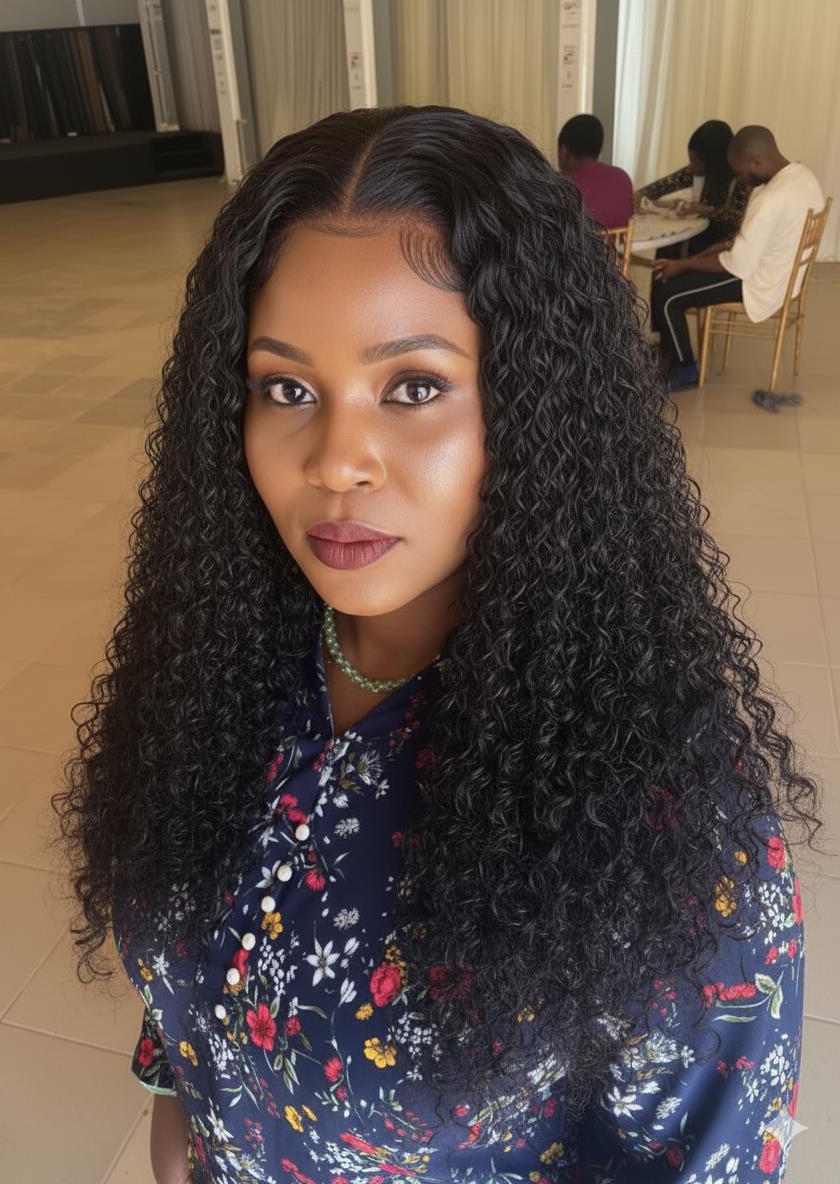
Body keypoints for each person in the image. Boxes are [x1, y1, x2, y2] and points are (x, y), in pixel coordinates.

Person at [54, 106, 816, 1184]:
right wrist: (178, 1103)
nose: (338, 461)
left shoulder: (672, 818)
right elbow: (187, 948)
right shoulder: (217, 663)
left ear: (537, 406)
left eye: (413, 386)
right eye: (286, 387)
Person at [652, 125, 824, 390]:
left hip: (758, 281)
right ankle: (670, 349)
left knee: (667, 294)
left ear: (756, 162)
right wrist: (724, 245)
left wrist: (683, 264)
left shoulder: (769, 199)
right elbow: (769, 236)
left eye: (739, 171)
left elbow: (737, 265)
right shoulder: (802, 176)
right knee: (681, 273)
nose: (740, 178)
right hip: (783, 274)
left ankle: (684, 369)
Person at [637, 119, 752, 256]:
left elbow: (734, 220)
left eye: (696, 162)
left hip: (722, 251)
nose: (691, 168)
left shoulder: (742, 178)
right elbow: (655, 189)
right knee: (668, 242)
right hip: (696, 239)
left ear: (716, 162)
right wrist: (644, 198)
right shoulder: (693, 172)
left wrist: (704, 210)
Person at [557, 112, 634, 229]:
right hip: (615, 242)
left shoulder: (562, 187)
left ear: (563, 151)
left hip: (580, 242)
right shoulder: (622, 178)